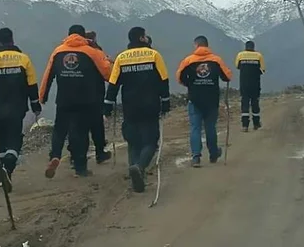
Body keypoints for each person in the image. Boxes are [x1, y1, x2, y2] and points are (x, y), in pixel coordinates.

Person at [39, 25, 112, 178]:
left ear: (69, 35)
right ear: (83, 35)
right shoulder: (92, 52)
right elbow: (108, 74)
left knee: (59, 129)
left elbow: (48, 75)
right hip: (85, 101)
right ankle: (80, 168)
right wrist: (110, 63)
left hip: (64, 99)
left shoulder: (58, 51)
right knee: (80, 133)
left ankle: (55, 154)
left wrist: (42, 96)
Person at [103, 27, 170, 193]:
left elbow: (113, 85)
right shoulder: (154, 55)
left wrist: (107, 106)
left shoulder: (121, 58)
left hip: (130, 107)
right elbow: (164, 80)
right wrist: (166, 102)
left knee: (133, 141)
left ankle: (135, 176)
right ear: (142, 37)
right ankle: (139, 167)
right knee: (150, 141)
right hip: (150, 105)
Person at [0, 27, 41, 188]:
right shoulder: (23, 59)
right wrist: (35, 105)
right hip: (17, 108)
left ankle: (1, 174)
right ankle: (8, 166)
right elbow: (32, 85)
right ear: (12, 40)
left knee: (0, 141)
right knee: (14, 139)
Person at [176, 35, 232, 168]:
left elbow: (180, 77)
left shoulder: (188, 60)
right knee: (210, 127)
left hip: (195, 99)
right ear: (207, 45)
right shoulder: (216, 60)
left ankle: (196, 157)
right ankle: (213, 153)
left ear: (196, 45)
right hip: (212, 99)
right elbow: (227, 76)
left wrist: (190, 84)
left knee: (195, 128)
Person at [65, 31, 111, 168]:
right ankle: (99, 152)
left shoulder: (70, 52)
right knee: (96, 125)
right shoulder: (96, 51)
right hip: (95, 95)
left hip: (72, 96)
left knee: (75, 127)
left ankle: (75, 156)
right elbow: (106, 72)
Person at [235, 41, 266, 132]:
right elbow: (263, 70)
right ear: (253, 47)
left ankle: (245, 126)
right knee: (255, 103)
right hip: (255, 84)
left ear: (245, 47)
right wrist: (256, 73)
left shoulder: (240, 55)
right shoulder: (258, 56)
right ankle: (256, 124)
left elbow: (237, 66)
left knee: (245, 103)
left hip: (244, 84)